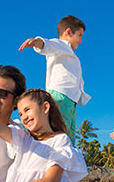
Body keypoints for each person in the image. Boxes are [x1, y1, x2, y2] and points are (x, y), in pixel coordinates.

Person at [18, 15, 91, 145]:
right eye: (79, 35)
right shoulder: (62, 45)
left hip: (70, 101)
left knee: (69, 136)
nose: (81, 40)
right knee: (59, 133)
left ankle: (69, 162)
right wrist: (37, 42)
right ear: (68, 32)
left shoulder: (68, 51)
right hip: (60, 96)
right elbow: (47, 44)